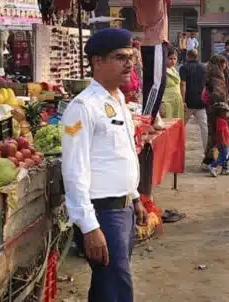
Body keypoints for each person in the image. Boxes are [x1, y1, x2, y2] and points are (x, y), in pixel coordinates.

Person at [61, 28, 148, 302]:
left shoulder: (118, 98)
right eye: (120, 57)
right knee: (118, 290)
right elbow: (74, 171)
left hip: (122, 211)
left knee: (106, 288)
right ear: (97, 62)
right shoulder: (84, 106)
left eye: (131, 57)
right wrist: (89, 226)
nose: (129, 63)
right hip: (102, 213)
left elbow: (120, 153)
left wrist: (135, 198)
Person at [133, 0, 184, 128]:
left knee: (151, 82)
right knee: (157, 83)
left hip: (149, 42)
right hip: (156, 42)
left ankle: (150, 116)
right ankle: (149, 118)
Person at [203, 54, 229, 166]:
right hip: (218, 112)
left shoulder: (212, 75)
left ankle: (211, 159)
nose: (225, 65)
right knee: (217, 137)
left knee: (213, 135)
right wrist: (225, 108)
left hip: (212, 110)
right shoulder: (217, 77)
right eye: (224, 63)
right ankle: (213, 161)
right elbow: (218, 95)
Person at [180, 49, 208, 148]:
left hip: (188, 103)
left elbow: (183, 84)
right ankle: (207, 153)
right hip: (201, 103)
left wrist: (182, 101)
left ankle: (178, 150)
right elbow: (206, 85)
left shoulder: (184, 68)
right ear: (197, 56)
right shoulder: (204, 68)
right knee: (204, 128)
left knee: (180, 127)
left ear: (187, 56)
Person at [207, 102, 229, 177]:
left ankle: (225, 169)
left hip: (224, 142)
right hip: (222, 142)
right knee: (223, 156)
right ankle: (212, 166)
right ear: (220, 112)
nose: (226, 114)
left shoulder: (222, 120)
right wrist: (223, 141)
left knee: (226, 155)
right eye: (225, 112)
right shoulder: (220, 121)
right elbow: (220, 132)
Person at [160, 47, 183, 120]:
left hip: (177, 102)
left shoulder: (174, 70)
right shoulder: (161, 70)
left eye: (174, 59)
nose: (173, 61)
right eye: (170, 59)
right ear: (165, 58)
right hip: (166, 103)